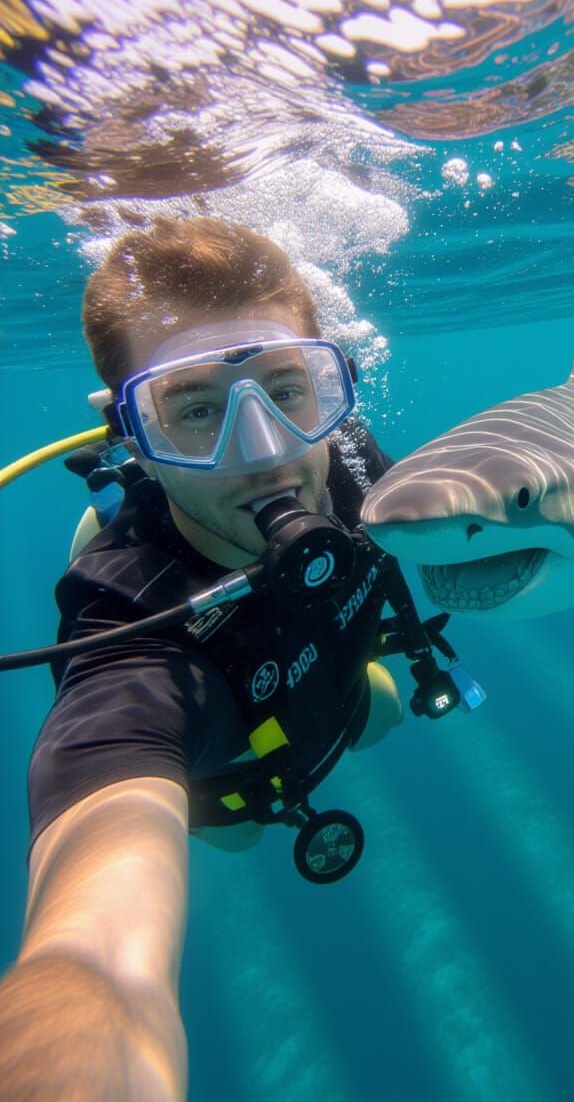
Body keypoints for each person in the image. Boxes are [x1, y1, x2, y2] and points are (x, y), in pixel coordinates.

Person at [0, 217, 410, 1101]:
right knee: (236, 827)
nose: (264, 455)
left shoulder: (346, 460)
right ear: (130, 433)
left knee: (387, 708)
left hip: (342, 697)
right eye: (193, 411)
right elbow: (98, 955)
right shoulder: (131, 639)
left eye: (286, 391)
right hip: (226, 778)